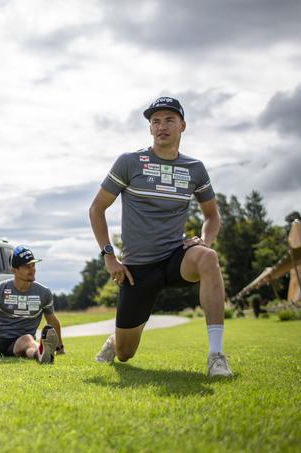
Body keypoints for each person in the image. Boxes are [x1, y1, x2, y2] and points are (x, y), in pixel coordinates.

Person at [89, 96, 232, 377]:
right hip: (137, 269)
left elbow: (212, 216)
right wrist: (109, 256)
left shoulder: (195, 169)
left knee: (208, 258)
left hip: (175, 258)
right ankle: (115, 341)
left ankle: (216, 356)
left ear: (183, 125)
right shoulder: (130, 163)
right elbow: (97, 209)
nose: (161, 126)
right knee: (125, 354)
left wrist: (204, 242)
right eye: (155, 121)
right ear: (150, 128)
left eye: (169, 120)